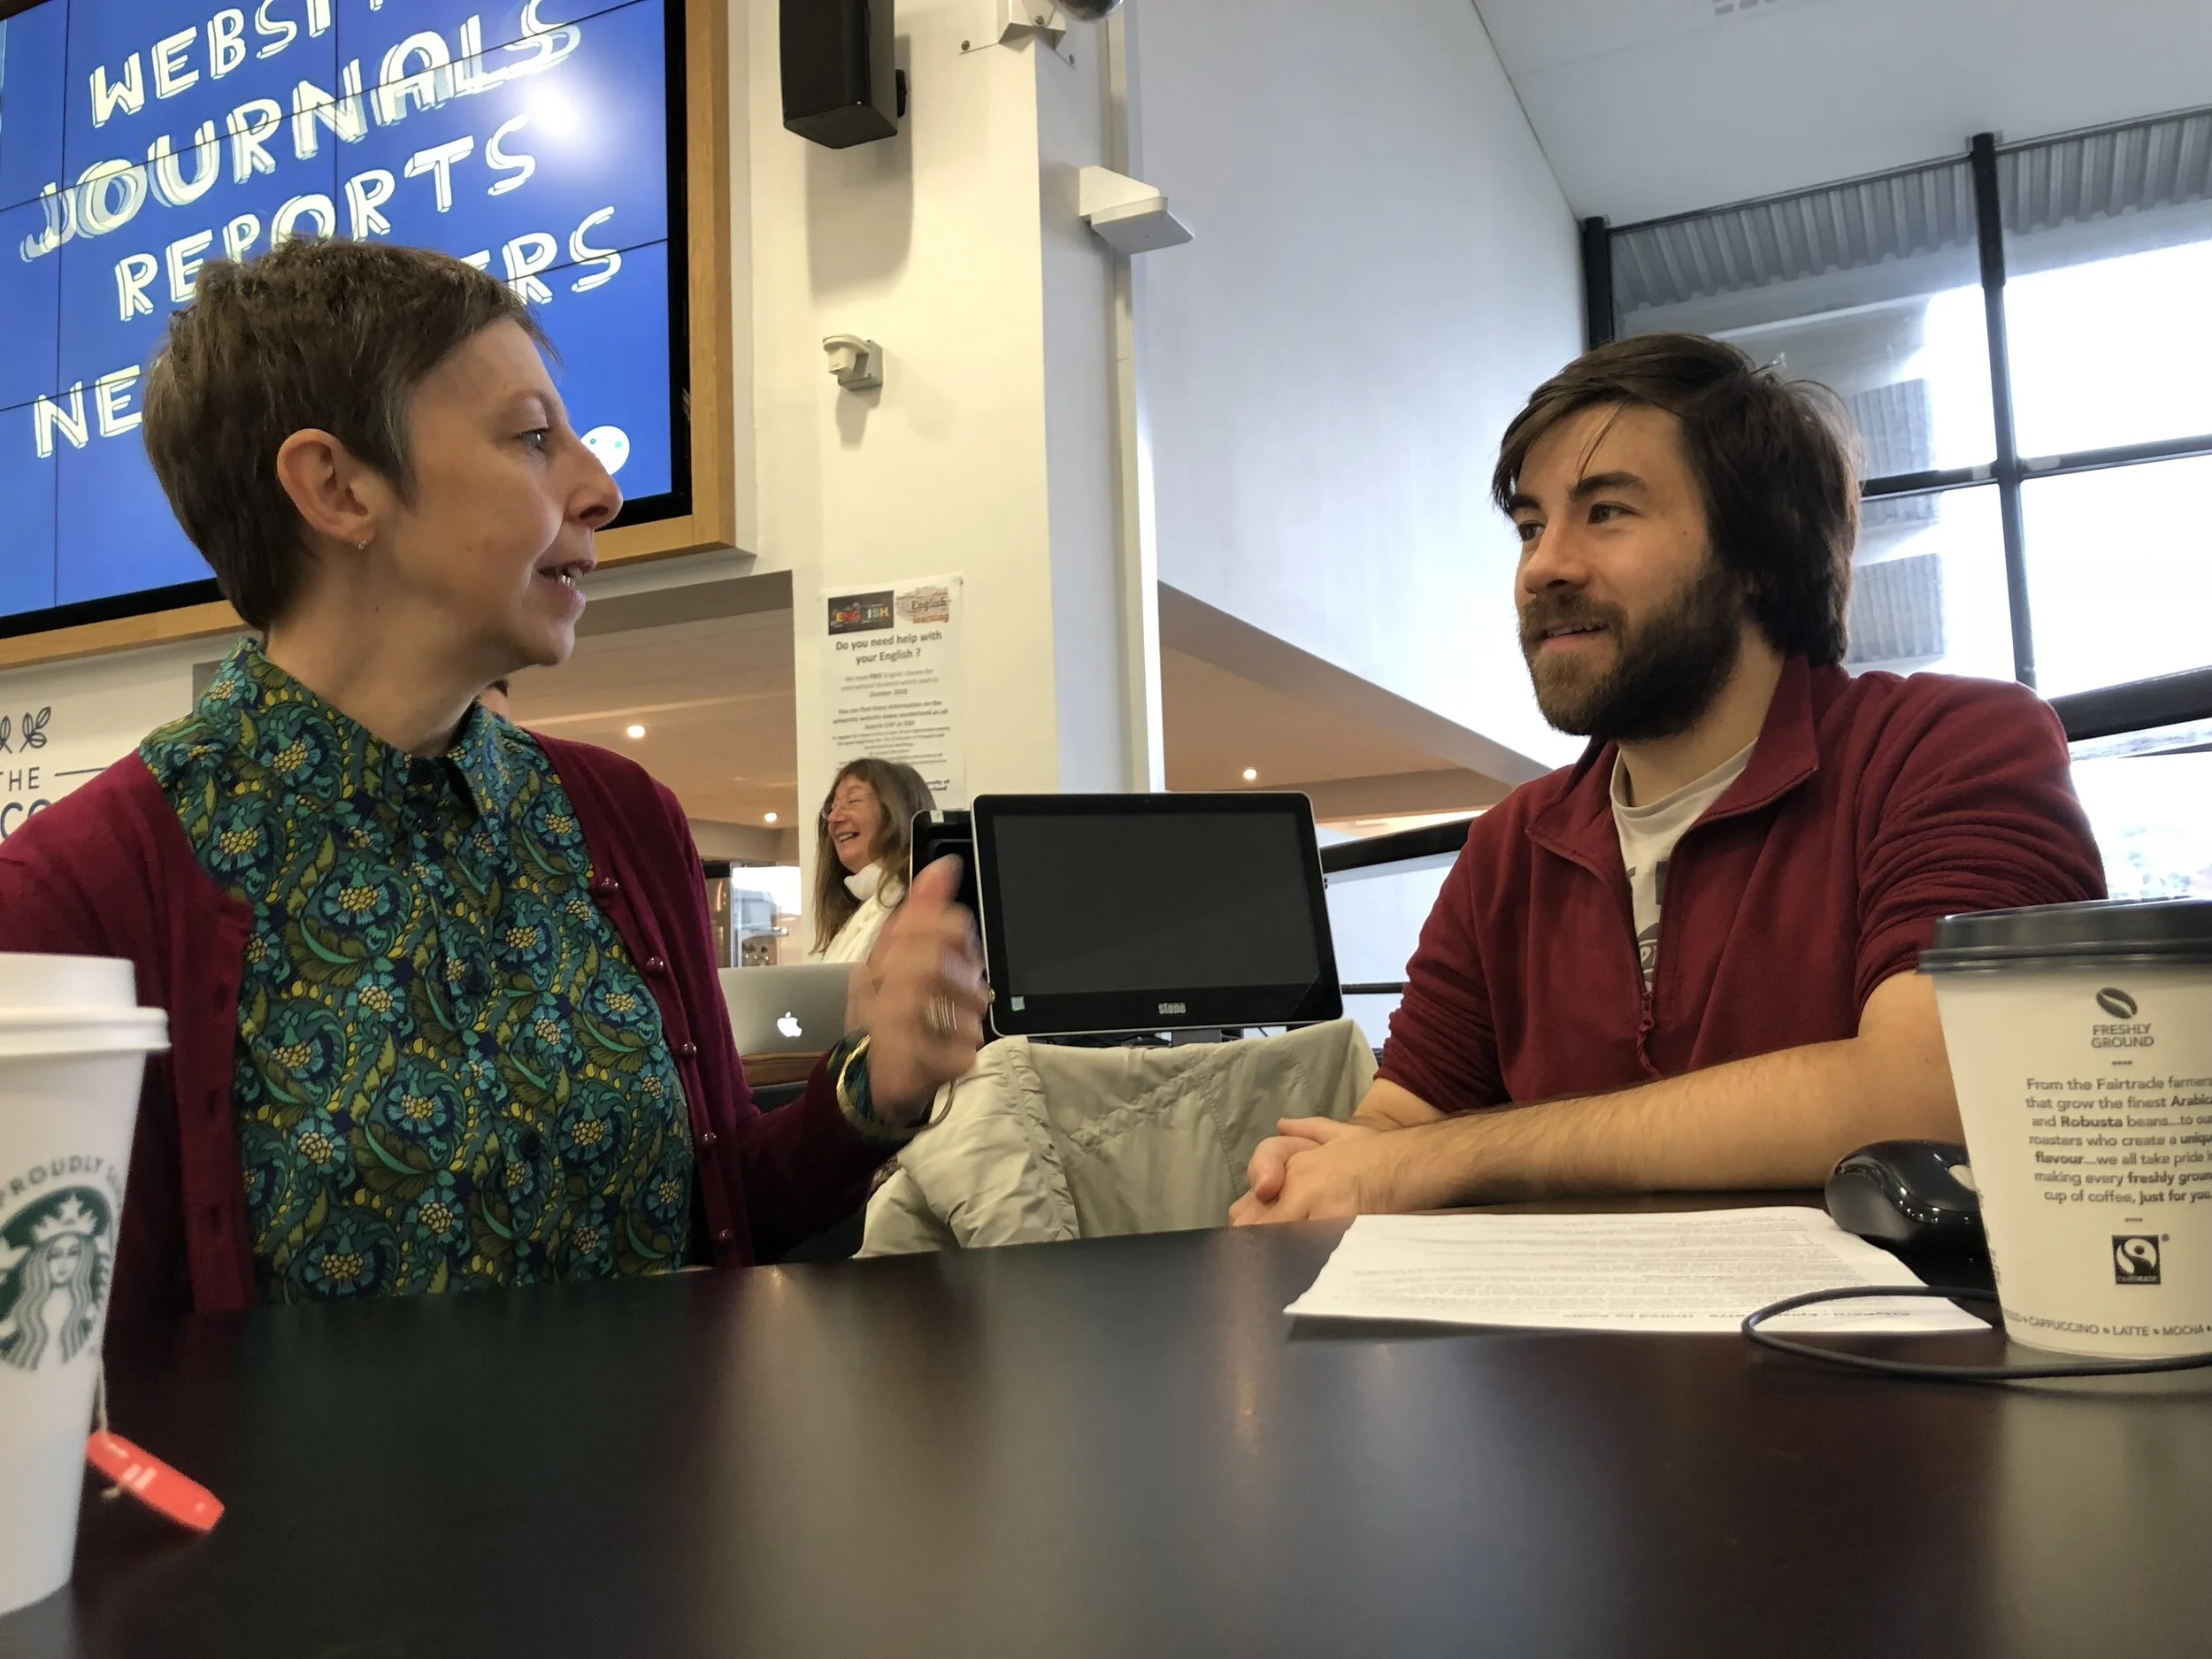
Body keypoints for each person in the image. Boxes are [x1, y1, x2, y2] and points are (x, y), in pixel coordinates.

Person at [0, 240, 987, 1315]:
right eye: (531, 439)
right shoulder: (75, 897)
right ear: (335, 488)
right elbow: (72, 1367)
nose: (601, 488)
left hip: (667, 1488)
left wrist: (871, 1088)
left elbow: (713, 1213)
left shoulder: (621, 820)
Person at [1233, 334, 2105, 1224]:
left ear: (1759, 556)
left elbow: (1938, 1094)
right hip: (1558, 1357)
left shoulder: (1951, 746)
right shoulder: (1512, 846)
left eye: (1605, 512)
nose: (1542, 567)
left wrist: (1436, 1159)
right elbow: (1398, 1121)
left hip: (1876, 1352)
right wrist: (1316, 1174)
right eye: (1531, 527)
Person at [810, 758, 936, 964]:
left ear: (897, 811)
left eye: (853, 801)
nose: (833, 818)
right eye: (832, 807)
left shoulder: (921, 912)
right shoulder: (855, 917)